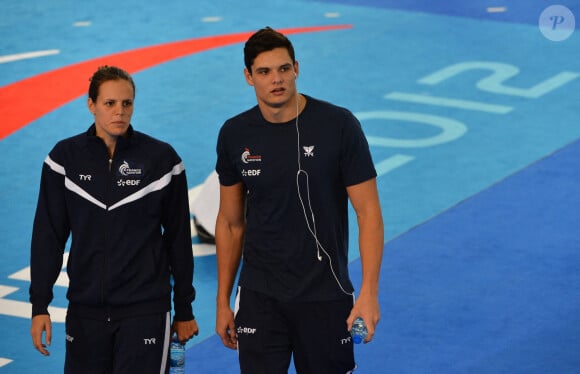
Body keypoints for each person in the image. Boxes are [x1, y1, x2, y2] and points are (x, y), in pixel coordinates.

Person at [215, 27, 384, 373]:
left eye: (283, 69)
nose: (276, 80)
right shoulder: (234, 135)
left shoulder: (338, 126)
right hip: (260, 296)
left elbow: (368, 213)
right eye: (264, 72)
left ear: (297, 68)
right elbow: (231, 223)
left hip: (326, 293)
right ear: (249, 77)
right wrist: (222, 301)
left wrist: (369, 292)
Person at [29, 65, 199, 373]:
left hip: (145, 310)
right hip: (85, 311)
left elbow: (178, 239)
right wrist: (39, 305)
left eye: (127, 103)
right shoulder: (63, 160)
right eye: (110, 104)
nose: (119, 112)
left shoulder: (161, 161)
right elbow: (48, 236)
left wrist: (184, 308)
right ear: (91, 104)